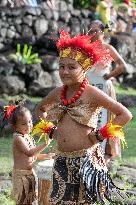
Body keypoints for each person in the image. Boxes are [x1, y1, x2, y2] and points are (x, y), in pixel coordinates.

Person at [35, 30, 132, 204]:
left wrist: (98, 136)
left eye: (72, 67)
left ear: (85, 68)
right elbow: (40, 108)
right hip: (62, 159)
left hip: (86, 159)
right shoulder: (58, 93)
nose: (65, 71)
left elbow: (125, 114)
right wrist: (50, 130)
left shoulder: (92, 93)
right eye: (61, 66)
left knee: (85, 201)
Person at [86, 20, 128, 161]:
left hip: (103, 86)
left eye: (95, 31)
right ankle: (88, 148)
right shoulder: (85, 48)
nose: (92, 34)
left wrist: (108, 75)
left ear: (102, 32)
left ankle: (105, 151)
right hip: (89, 87)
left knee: (104, 118)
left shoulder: (107, 48)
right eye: (90, 31)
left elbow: (122, 66)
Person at [2, 102, 52, 205]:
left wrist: (45, 156)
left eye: (30, 121)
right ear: (14, 126)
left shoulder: (27, 136)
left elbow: (33, 155)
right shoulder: (18, 138)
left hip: (30, 173)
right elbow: (29, 153)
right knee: (22, 200)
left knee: (30, 199)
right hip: (21, 175)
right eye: (23, 123)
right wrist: (45, 144)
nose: (28, 125)